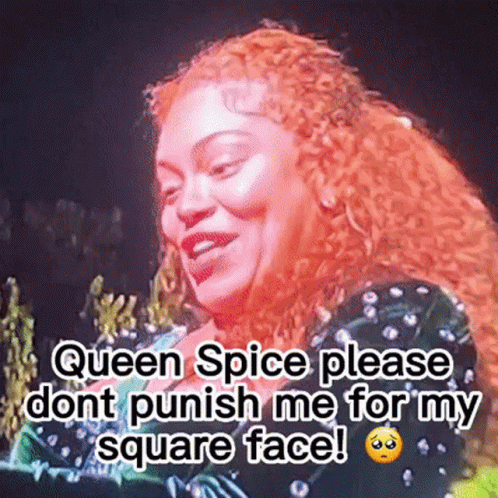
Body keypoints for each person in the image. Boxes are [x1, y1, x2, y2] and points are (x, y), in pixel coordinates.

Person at [3, 24, 498, 498]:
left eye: (222, 166)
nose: (186, 206)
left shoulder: (409, 325)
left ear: (327, 171)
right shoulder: (131, 358)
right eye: (170, 190)